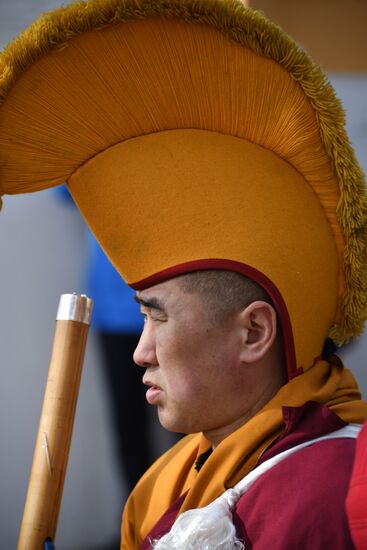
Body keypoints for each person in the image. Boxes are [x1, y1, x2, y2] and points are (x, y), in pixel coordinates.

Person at [0, 1, 366, 549]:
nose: (139, 351)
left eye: (156, 317)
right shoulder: (157, 490)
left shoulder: (331, 495)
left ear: (253, 332)